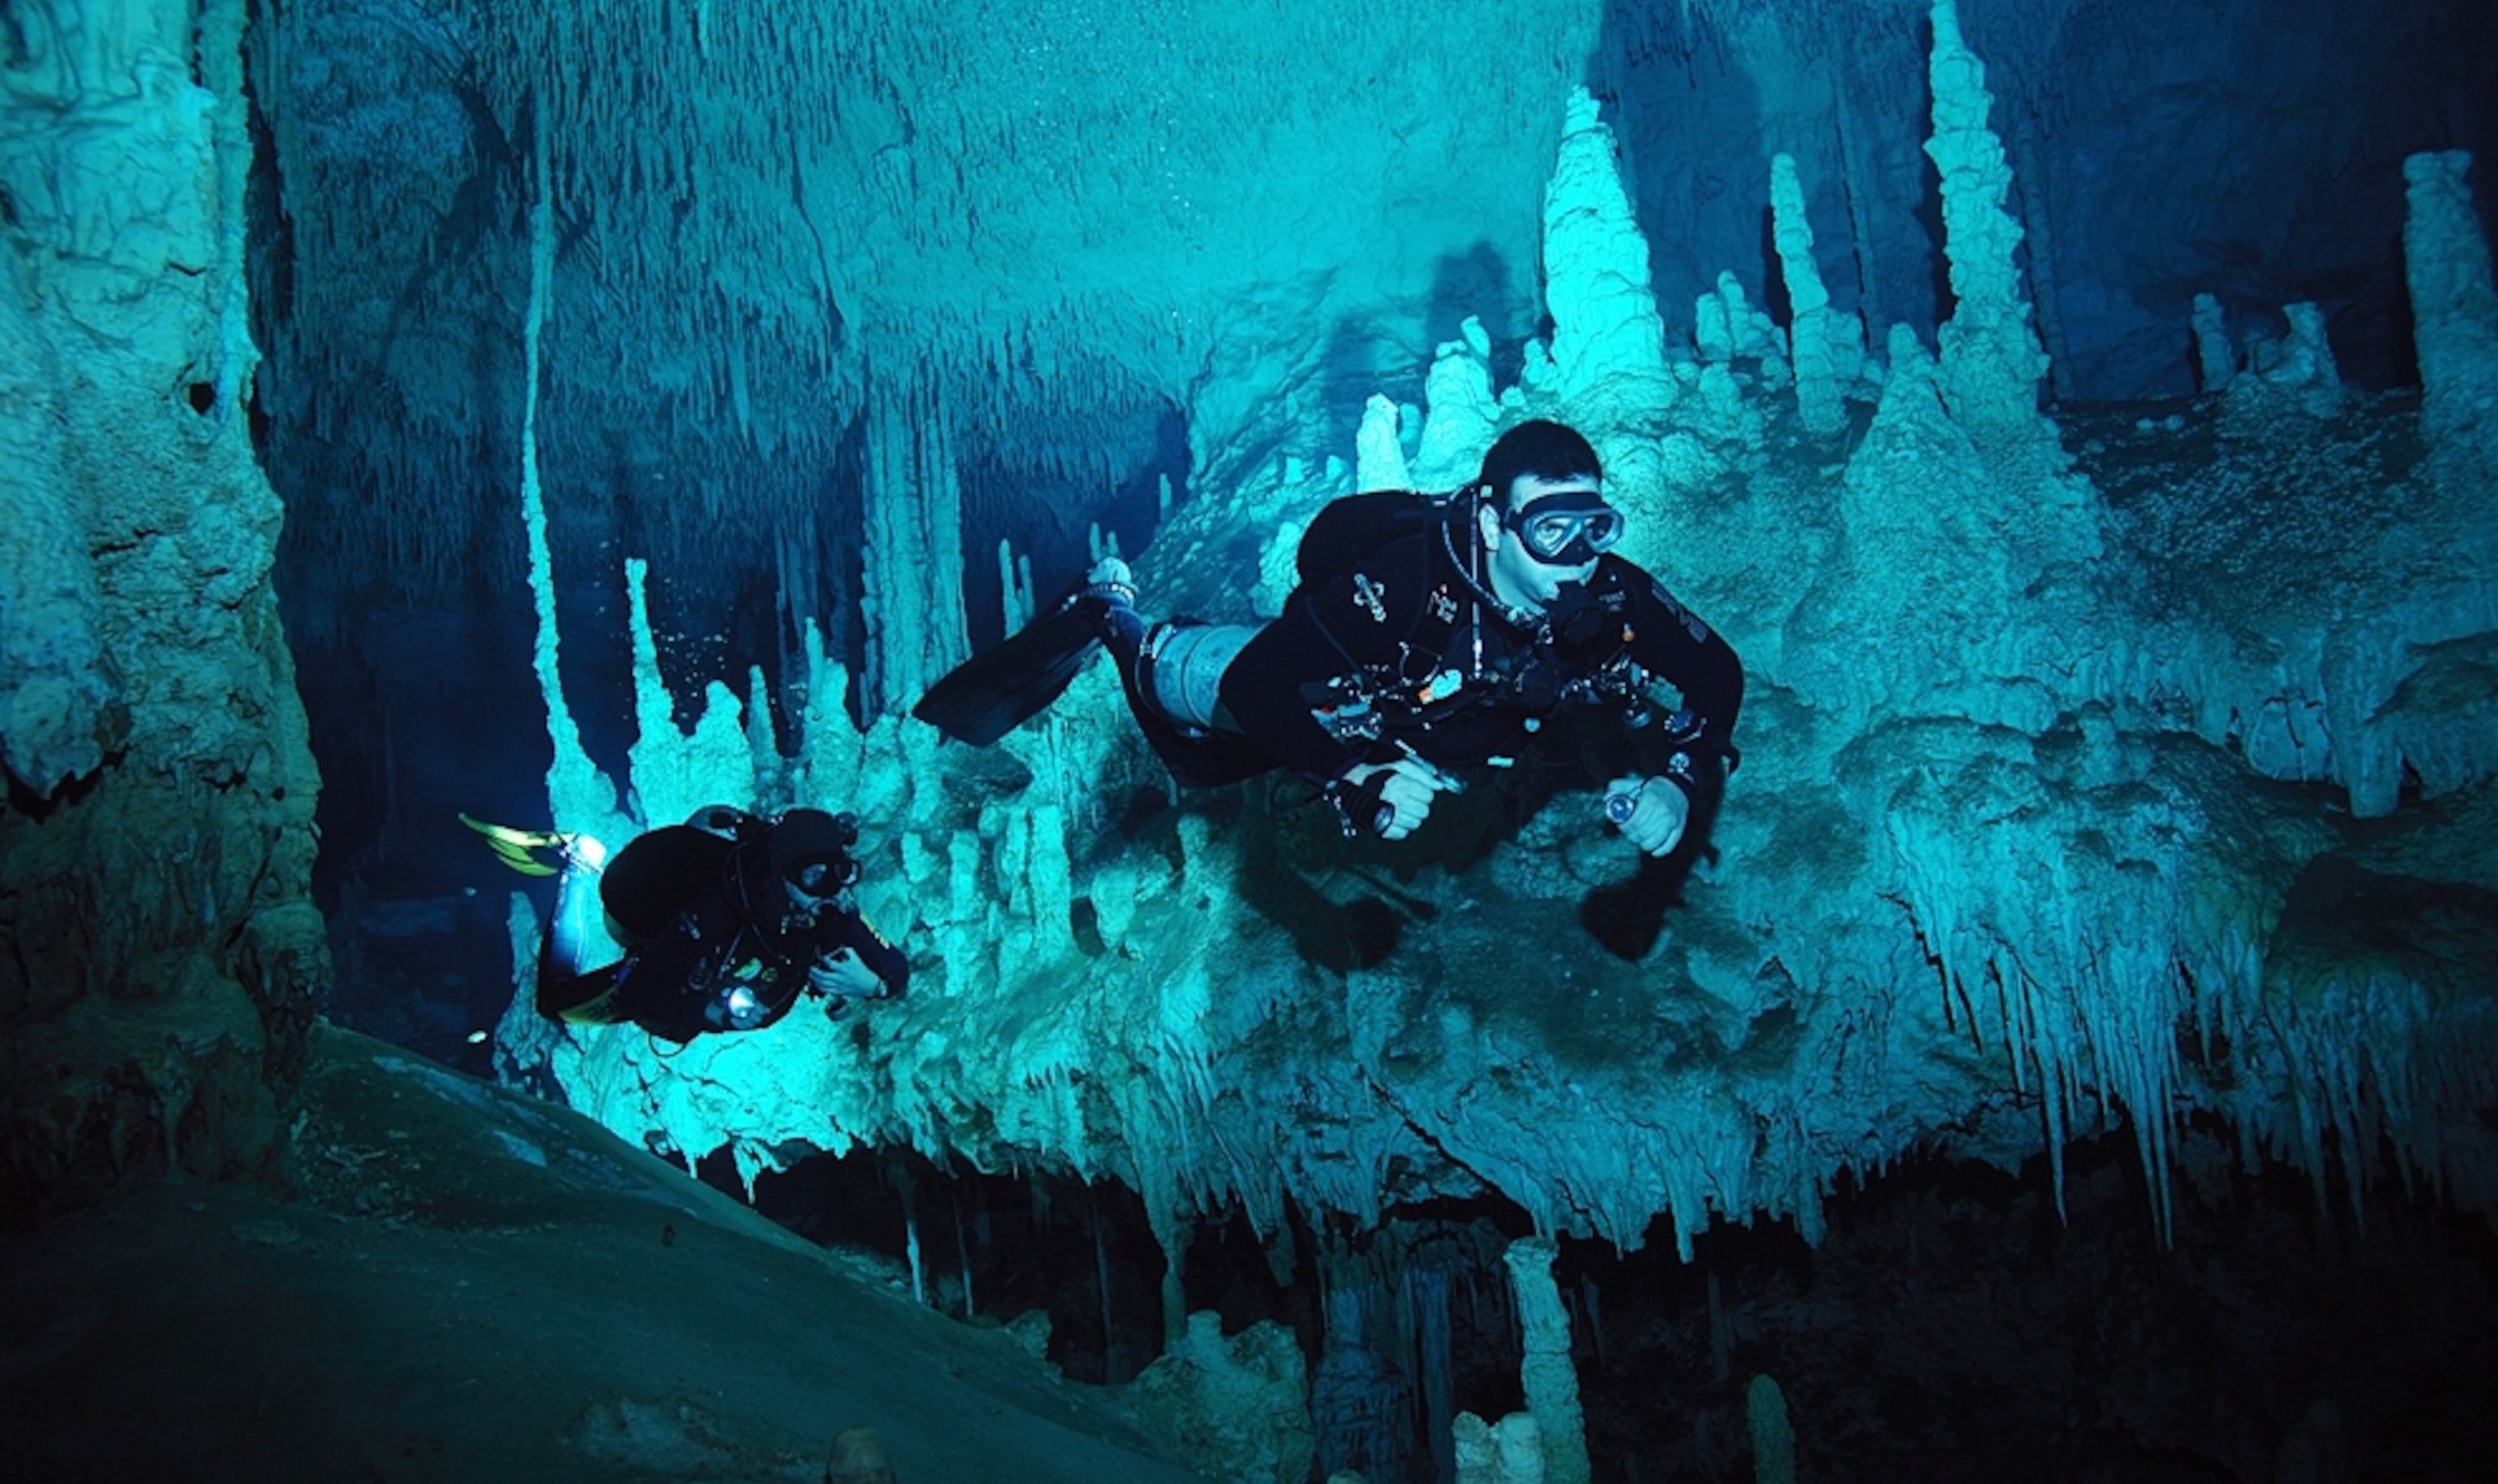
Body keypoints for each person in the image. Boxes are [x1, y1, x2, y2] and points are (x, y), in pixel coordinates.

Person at [917, 420, 1743, 854]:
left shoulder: (1611, 588)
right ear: (1493, 522)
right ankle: (1114, 612)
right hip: (1335, 688)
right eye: (1550, 527)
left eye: (1593, 525)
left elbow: (1716, 673)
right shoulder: (1407, 583)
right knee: (1191, 721)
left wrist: (1682, 773)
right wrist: (1354, 773)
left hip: (1434, 730)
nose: (1578, 556)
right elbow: (1258, 689)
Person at [475, 805, 908, 1043]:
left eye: (843, 873)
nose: (830, 892)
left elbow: (895, 969)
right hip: (643, 924)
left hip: (723, 936)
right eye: (814, 877)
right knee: (557, 1005)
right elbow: (642, 995)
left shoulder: (829, 910)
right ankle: (575, 867)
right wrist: (708, 1010)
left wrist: (871, 986)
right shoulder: (713, 914)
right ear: (777, 877)